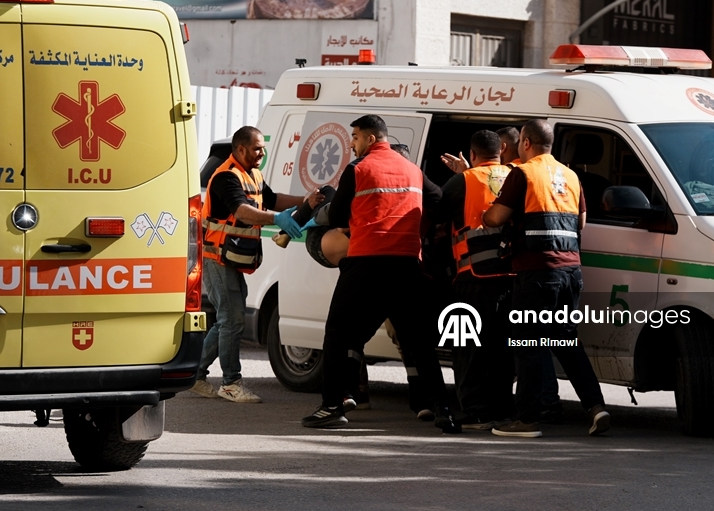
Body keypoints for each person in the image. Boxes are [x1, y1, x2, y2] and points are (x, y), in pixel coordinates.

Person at [301, 115, 459, 432]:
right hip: (407, 264)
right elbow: (438, 198)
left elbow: (338, 213)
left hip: (367, 262)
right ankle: (444, 409)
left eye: (355, 138)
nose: (352, 144)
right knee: (418, 340)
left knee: (338, 333)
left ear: (371, 139)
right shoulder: (412, 169)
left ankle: (331, 406)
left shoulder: (358, 169)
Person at [483, 119, 611, 437]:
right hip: (570, 272)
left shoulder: (523, 173)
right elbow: (580, 223)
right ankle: (596, 407)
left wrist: (486, 212)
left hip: (537, 271)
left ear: (525, 143)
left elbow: (495, 217)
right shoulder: (570, 176)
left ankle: (526, 420)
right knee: (566, 341)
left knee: (529, 344)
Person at [192, 126, 322, 403]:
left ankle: (195, 375)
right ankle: (230, 383)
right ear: (240, 149)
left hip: (232, 258)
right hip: (218, 258)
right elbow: (242, 211)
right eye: (257, 148)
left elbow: (271, 199)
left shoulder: (253, 174)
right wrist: (277, 219)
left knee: (229, 319)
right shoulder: (226, 177)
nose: (262, 152)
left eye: (262, 147)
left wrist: (305, 201)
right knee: (232, 318)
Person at [439, 130, 517, 430]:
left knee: (467, 346)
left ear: (472, 155)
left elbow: (435, 211)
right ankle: (503, 410)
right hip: (512, 275)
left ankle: (477, 412)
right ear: (502, 150)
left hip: (473, 277)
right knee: (502, 348)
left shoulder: (463, 181)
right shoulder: (515, 174)